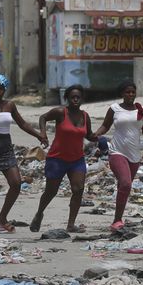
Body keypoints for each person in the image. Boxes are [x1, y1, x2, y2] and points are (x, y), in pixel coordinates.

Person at [0, 73, 47, 234]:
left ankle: (2, 217)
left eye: (1, 88)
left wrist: (38, 135)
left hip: (6, 148)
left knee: (16, 183)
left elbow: (22, 123)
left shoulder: (10, 105)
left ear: (4, 89)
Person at [93, 80, 143, 232]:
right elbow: (105, 126)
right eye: (127, 92)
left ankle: (117, 217)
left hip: (134, 155)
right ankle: (117, 220)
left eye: (133, 92)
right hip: (117, 152)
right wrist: (96, 134)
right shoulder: (115, 109)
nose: (130, 94)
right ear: (122, 94)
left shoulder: (141, 110)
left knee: (123, 187)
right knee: (125, 184)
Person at [30, 85, 96, 233]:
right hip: (57, 159)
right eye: (72, 97)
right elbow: (43, 118)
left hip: (77, 159)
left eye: (78, 97)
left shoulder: (85, 116)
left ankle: (71, 224)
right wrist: (43, 134)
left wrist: (99, 137)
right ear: (67, 98)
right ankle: (39, 213)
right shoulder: (60, 112)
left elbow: (89, 134)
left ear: (82, 99)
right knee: (51, 191)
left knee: (78, 189)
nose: (75, 99)